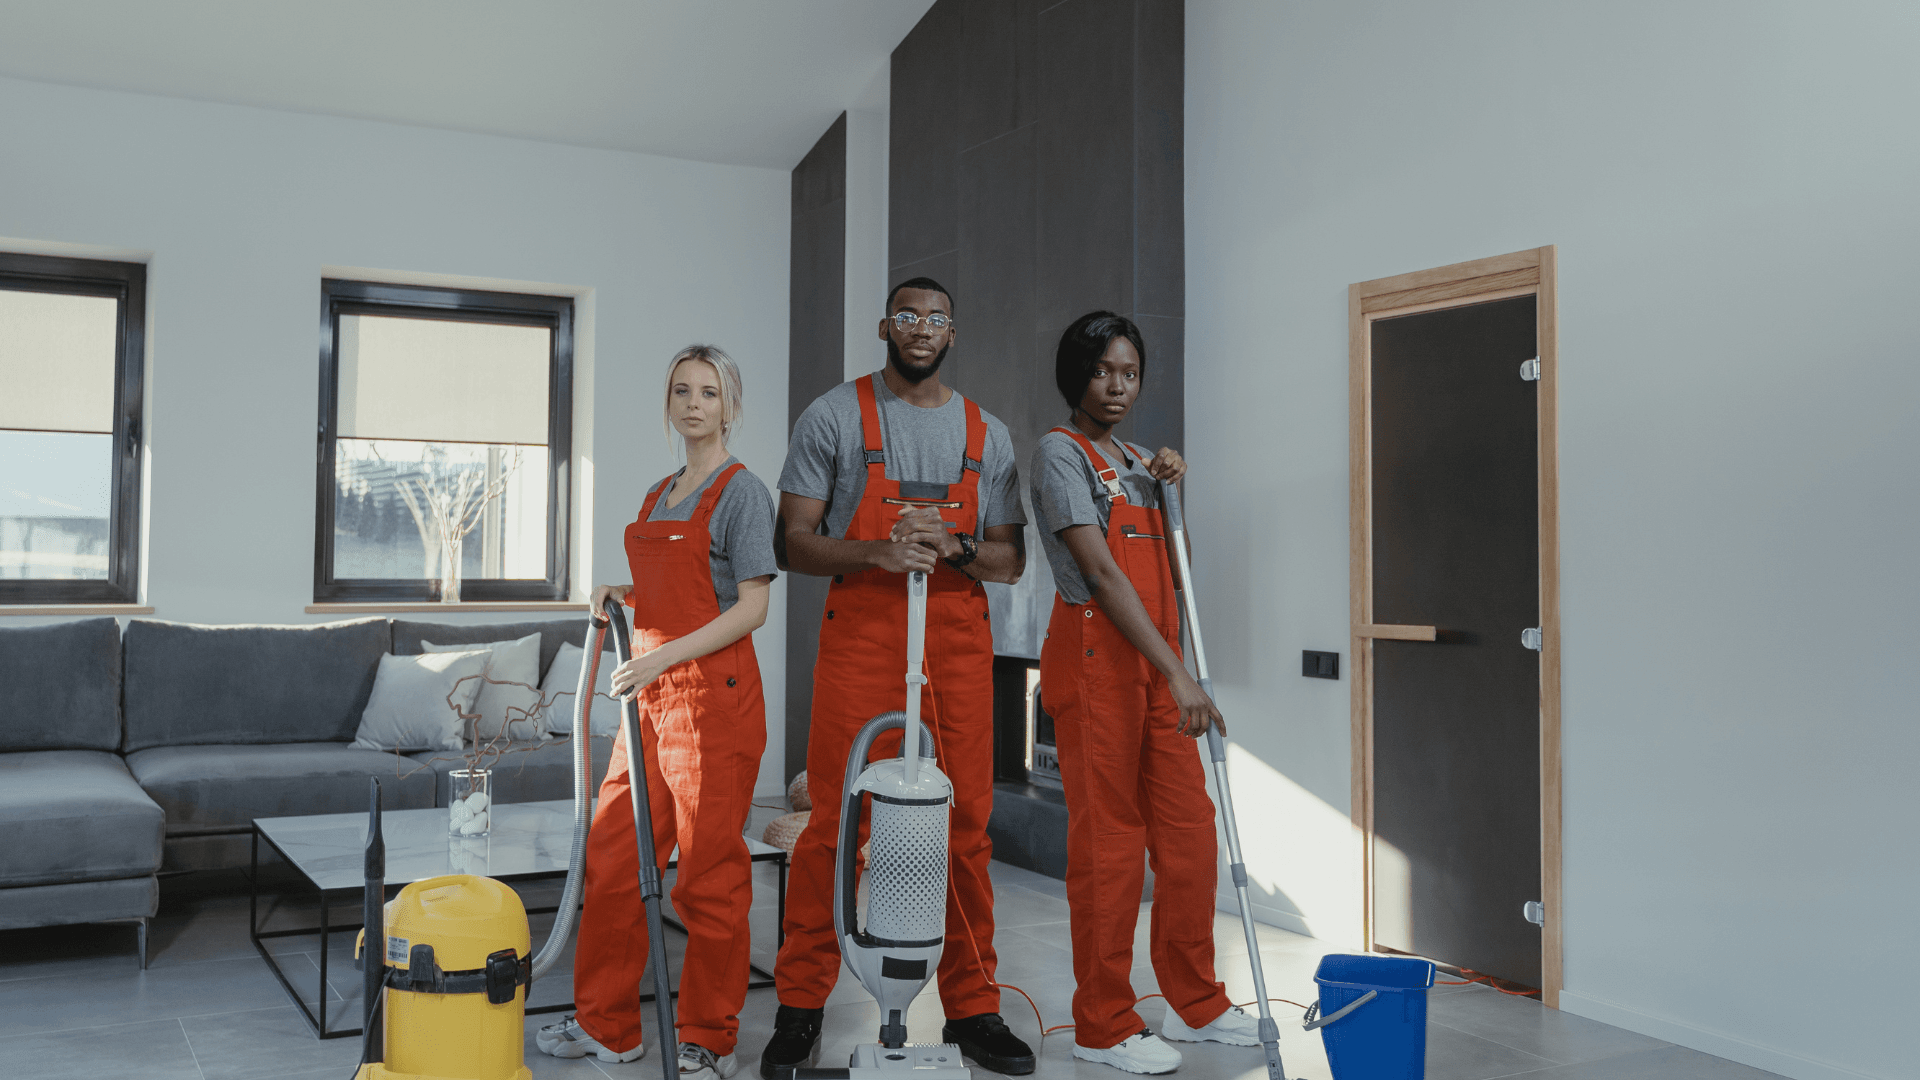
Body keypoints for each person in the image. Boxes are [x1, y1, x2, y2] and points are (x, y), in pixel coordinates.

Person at [761, 278, 1036, 1077]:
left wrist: (953, 546)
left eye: (937, 319)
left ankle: (975, 1008)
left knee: (967, 828)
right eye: (908, 317)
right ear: (886, 326)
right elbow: (793, 543)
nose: (922, 330)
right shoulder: (833, 416)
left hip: (955, 642)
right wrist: (879, 550)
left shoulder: (990, 432)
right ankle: (800, 1007)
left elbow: (1011, 559)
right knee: (833, 827)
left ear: (954, 331)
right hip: (862, 637)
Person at [537, 345, 778, 1080]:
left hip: (712, 704)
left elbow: (753, 607)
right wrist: (621, 591)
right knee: (613, 859)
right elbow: (672, 589)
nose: (693, 403)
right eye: (681, 390)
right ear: (668, 403)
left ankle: (709, 1039)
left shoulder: (743, 493)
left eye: (709, 392)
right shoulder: (657, 493)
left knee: (706, 876)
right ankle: (607, 1026)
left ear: (730, 405)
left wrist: (664, 657)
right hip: (650, 698)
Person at [1031, 312, 1260, 1075]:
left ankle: (1195, 1002)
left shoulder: (1136, 460)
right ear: (1077, 376)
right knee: (1110, 851)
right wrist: (1177, 670)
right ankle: (1102, 1024)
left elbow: (1173, 570)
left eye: (1130, 373)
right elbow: (1101, 575)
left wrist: (1169, 493)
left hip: (1159, 668)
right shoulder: (1059, 457)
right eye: (1103, 372)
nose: (1119, 386)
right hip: (1100, 666)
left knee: (1190, 837)